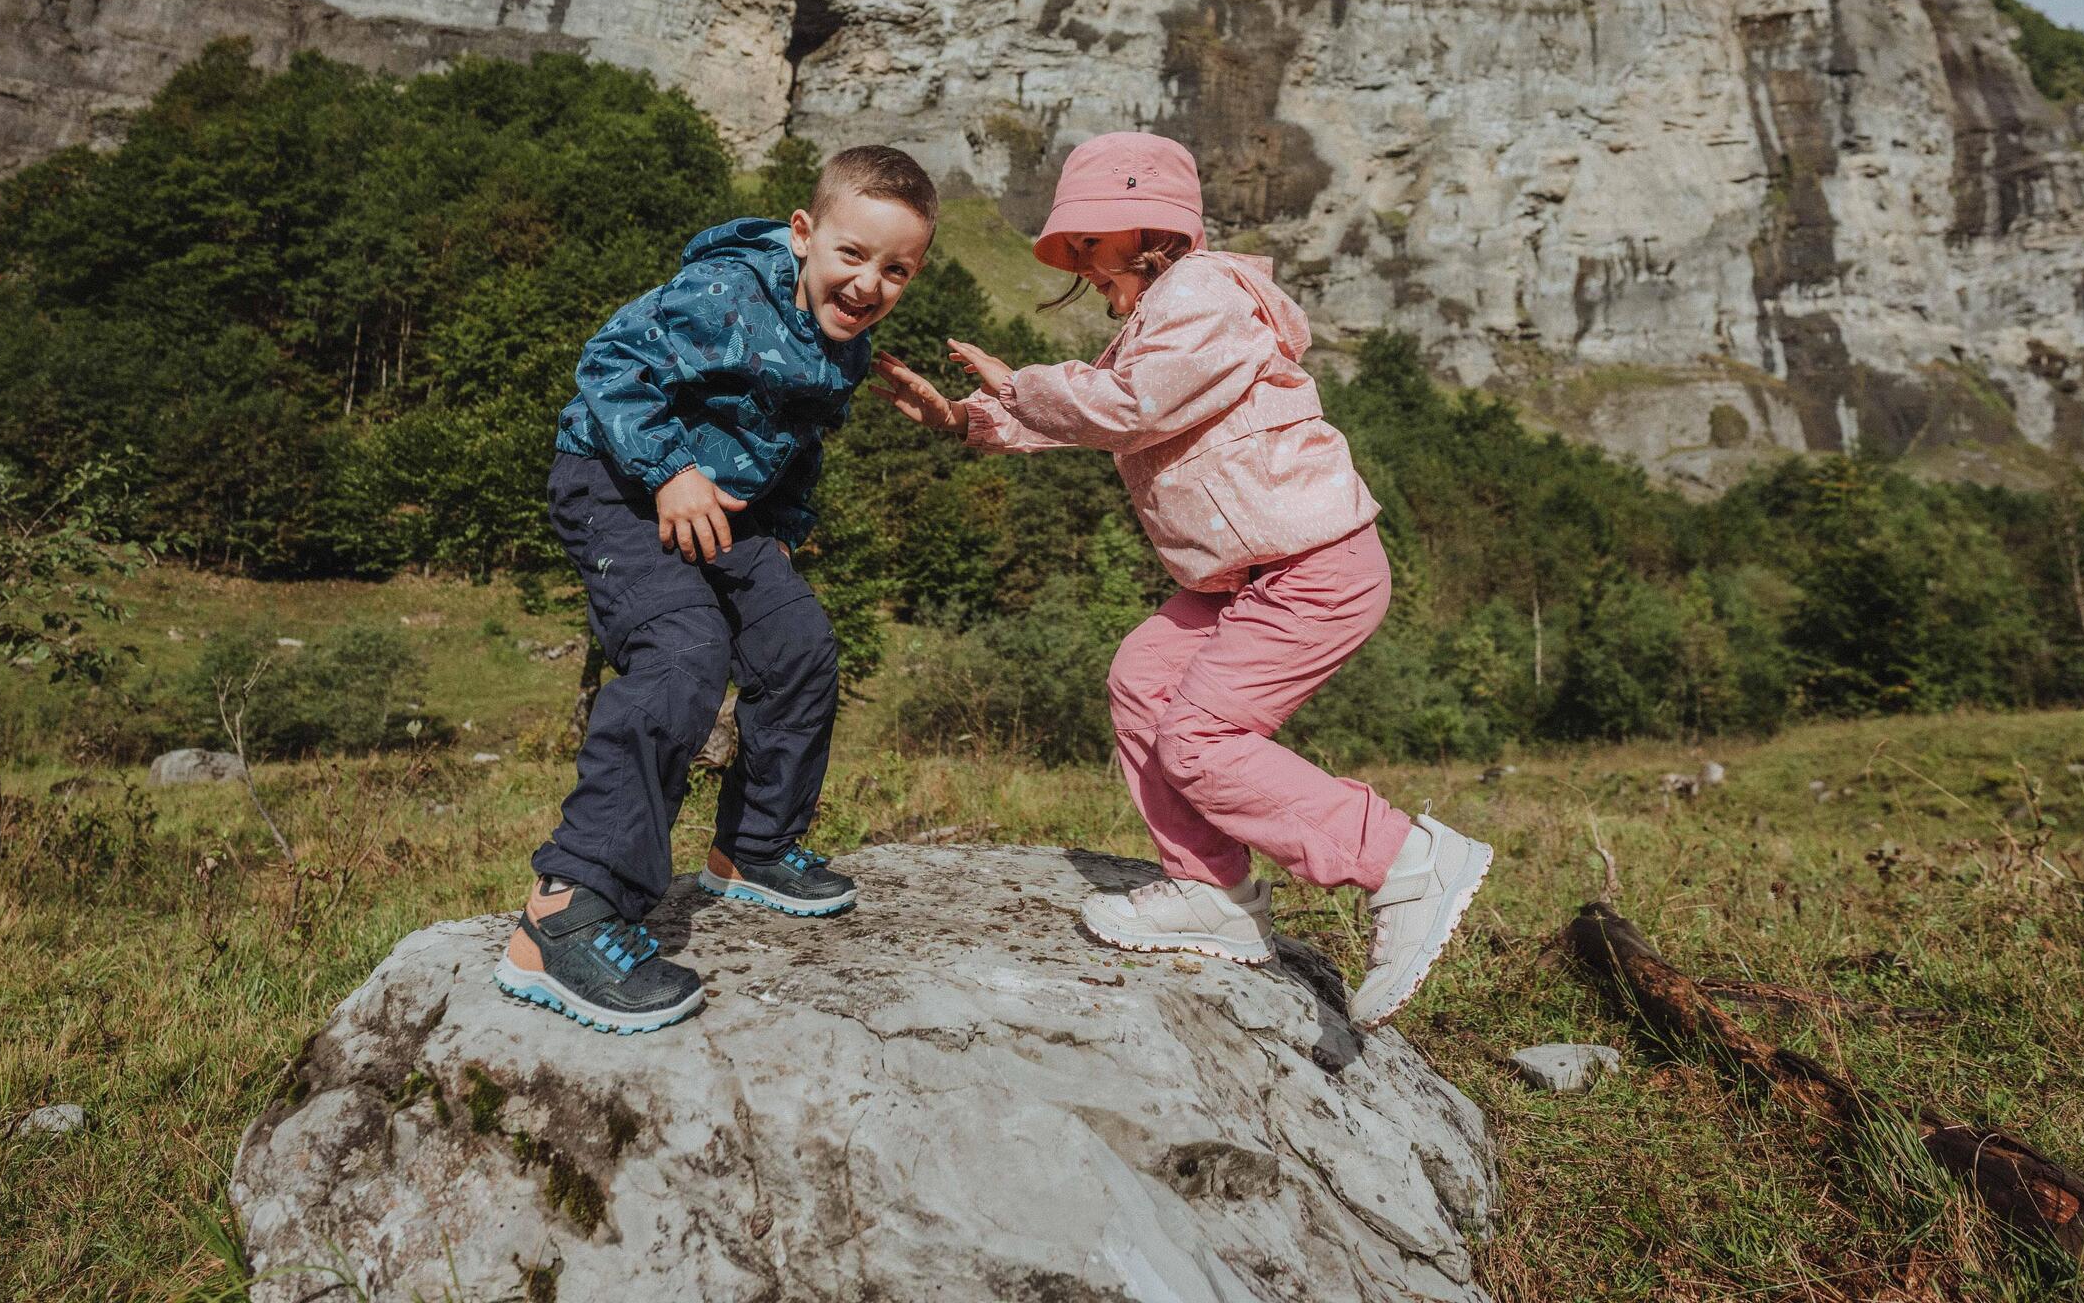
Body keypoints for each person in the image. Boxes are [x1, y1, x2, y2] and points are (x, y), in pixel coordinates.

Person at [869, 131, 1490, 1028]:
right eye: (1072, 249)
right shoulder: (1161, 319)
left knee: (1199, 738)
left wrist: (1021, 385)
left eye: (1091, 242)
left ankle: (1402, 862)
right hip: (1245, 578)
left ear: (1150, 228)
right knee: (1145, 681)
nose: (1083, 265)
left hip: (1315, 566)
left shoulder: (1200, 293)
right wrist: (970, 418)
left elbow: (1130, 408)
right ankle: (1214, 891)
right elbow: (1104, 413)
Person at [497, 145, 939, 1032]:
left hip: (729, 516)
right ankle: (565, 912)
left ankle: (755, 847)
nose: (869, 285)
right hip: (619, 486)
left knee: (800, 645)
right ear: (804, 233)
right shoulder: (728, 292)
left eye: (897, 270)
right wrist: (668, 472)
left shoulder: (846, 348)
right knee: (685, 652)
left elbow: (798, 445)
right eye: (853, 256)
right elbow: (609, 363)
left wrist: (780, 538)